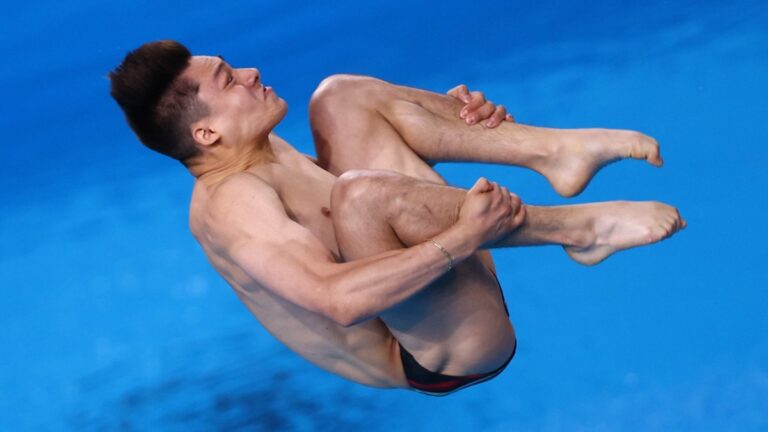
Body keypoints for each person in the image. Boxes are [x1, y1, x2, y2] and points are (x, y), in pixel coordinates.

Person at [109, 40, 685, 396]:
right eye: (229, 81)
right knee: (361, 195)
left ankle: (552, 151)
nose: (252, 72)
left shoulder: (258, 146)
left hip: (431, 278)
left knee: (340, 96)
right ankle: (579, 229)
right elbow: (338, 300)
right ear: (206, 134)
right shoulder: (232, 206)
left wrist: (455, 115)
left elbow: (366, 188)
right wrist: (464, 237)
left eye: (234, 67)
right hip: (439, 352)